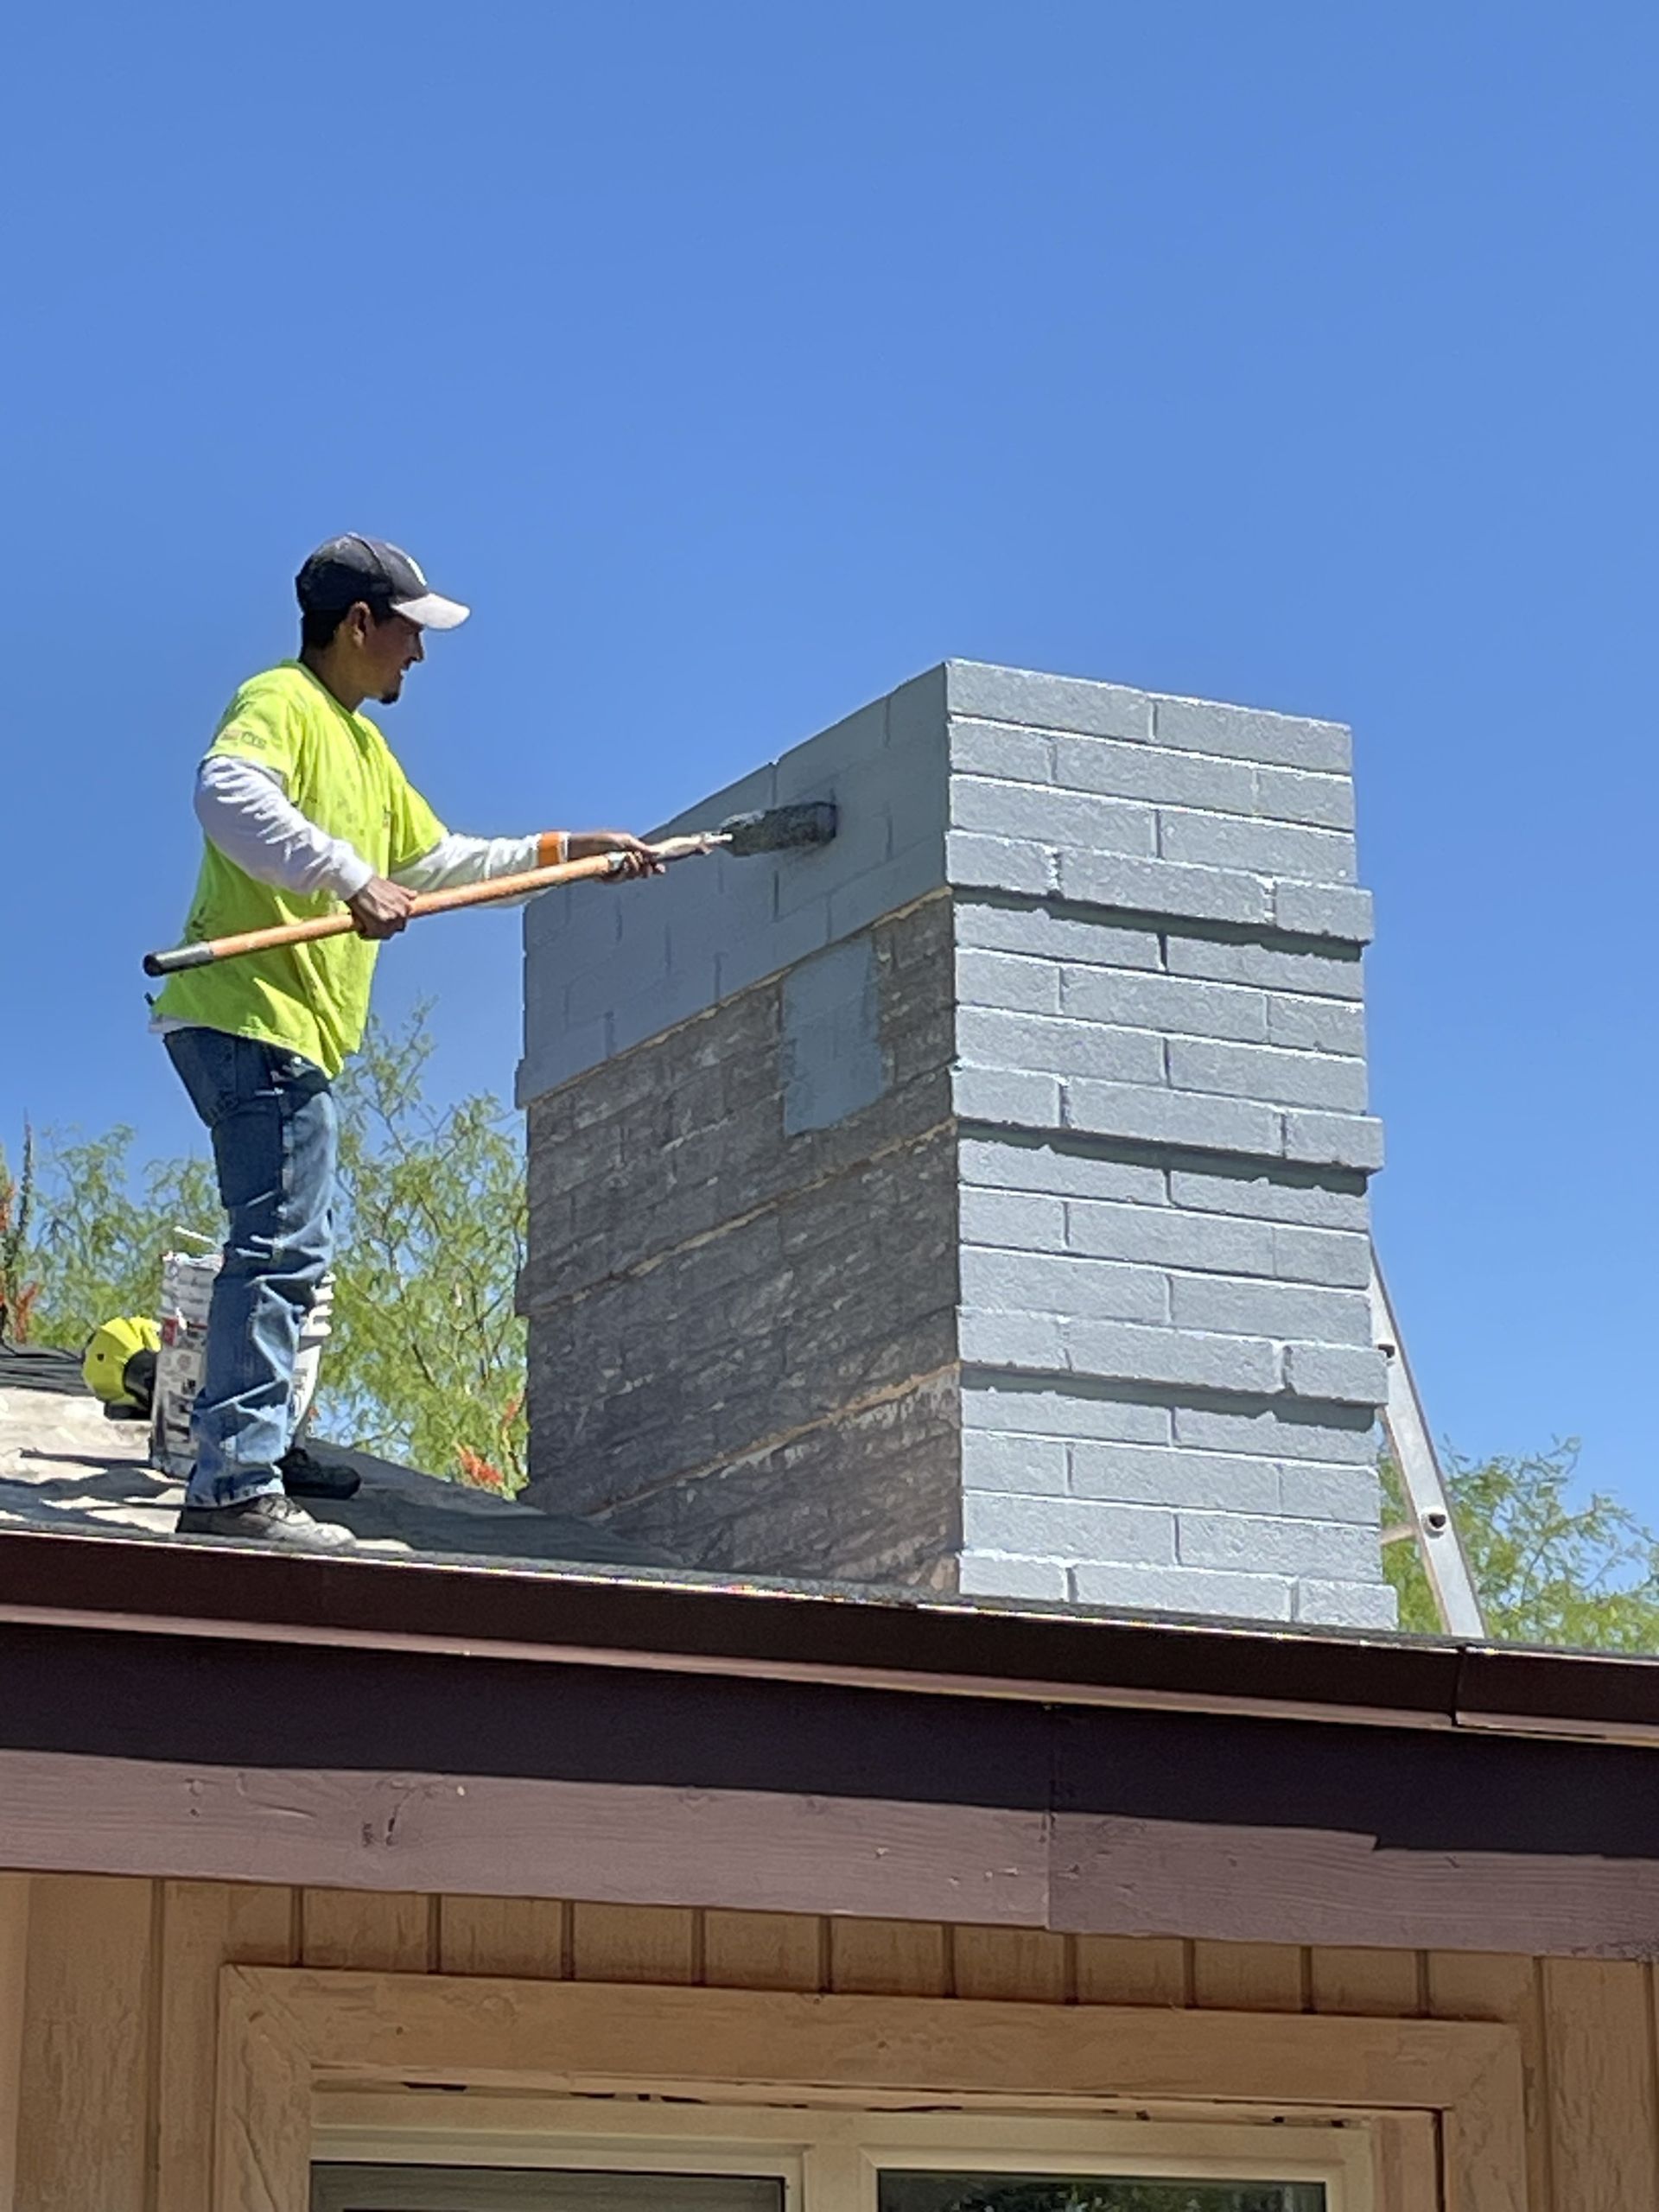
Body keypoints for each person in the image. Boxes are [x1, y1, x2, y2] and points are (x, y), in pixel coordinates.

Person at [152, 534, 658, 1550]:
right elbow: (225, 794)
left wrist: (572, 854)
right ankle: (235, 1488)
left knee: (305, 1243)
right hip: (248, 1014)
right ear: (357, 625)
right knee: (282, 1243)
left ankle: (263, 1442)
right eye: (408, 635)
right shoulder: (282, 703)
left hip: (283, 1029)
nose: (417, 659)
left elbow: (434, 860)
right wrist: (346, 875)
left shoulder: (366, 751)